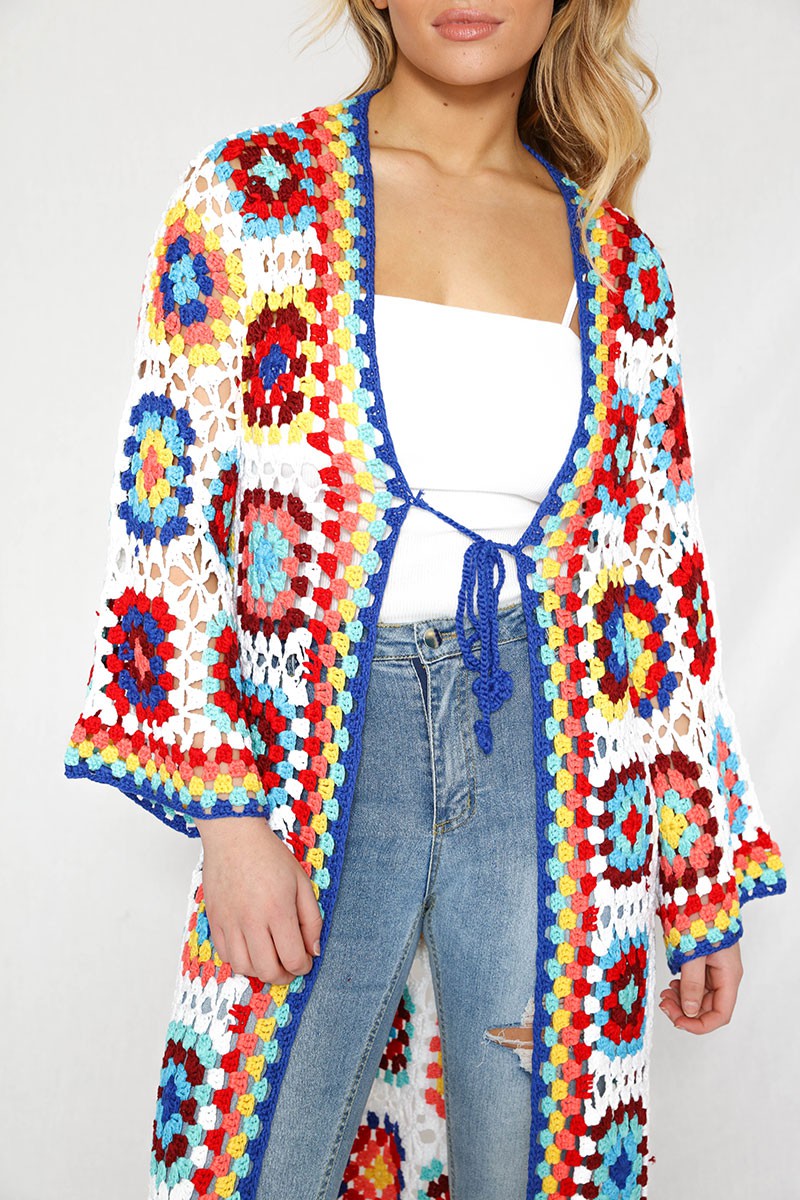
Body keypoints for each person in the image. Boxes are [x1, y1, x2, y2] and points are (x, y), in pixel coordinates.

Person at [64, 2, 787, 1197]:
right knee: (260, 1151)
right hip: (312, 770)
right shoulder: (249, 200)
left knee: (533, 1157)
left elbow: (652, 582)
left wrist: (696, 876)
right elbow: (168, 515)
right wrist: (229, 817)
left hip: (549, 767)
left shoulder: (618, 266)